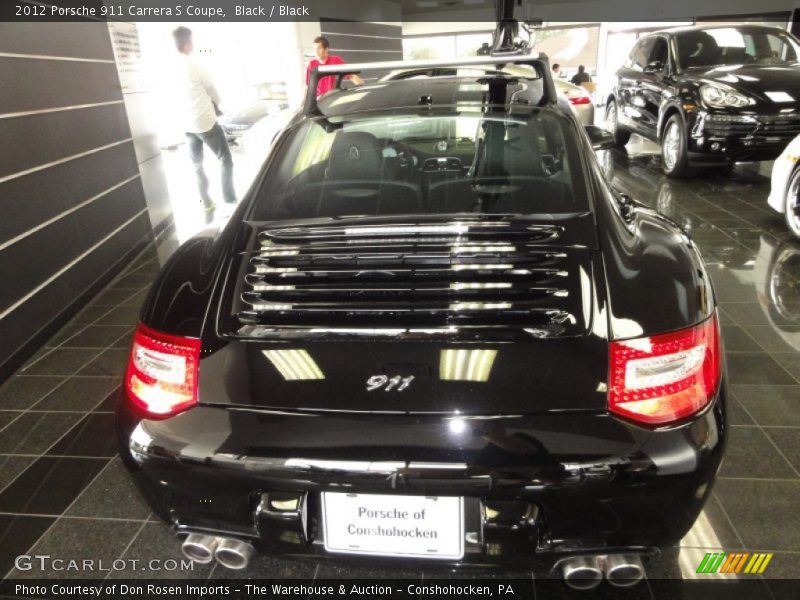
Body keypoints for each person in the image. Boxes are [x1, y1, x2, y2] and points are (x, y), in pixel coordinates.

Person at [172, 26, 236, 212]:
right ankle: (229, 199)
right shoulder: (193, 65)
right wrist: (220, 104)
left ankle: (206, 203)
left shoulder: (171, 67)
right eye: (191, 40)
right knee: (225, 159)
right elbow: (212, 90)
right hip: (205, 122)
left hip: (187, 125)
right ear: (186, 43)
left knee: (197, 164)